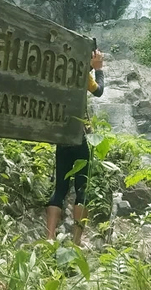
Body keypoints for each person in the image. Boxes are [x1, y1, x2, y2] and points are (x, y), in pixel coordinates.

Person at [46, 49, 104, 245]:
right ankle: (76, 243)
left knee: (60, 189)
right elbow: (99, 91)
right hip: (80, 137)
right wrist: (98, 69)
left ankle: (49, 238)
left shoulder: (59, 73)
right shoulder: (84, 76)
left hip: (62, 137)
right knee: (82, 188)